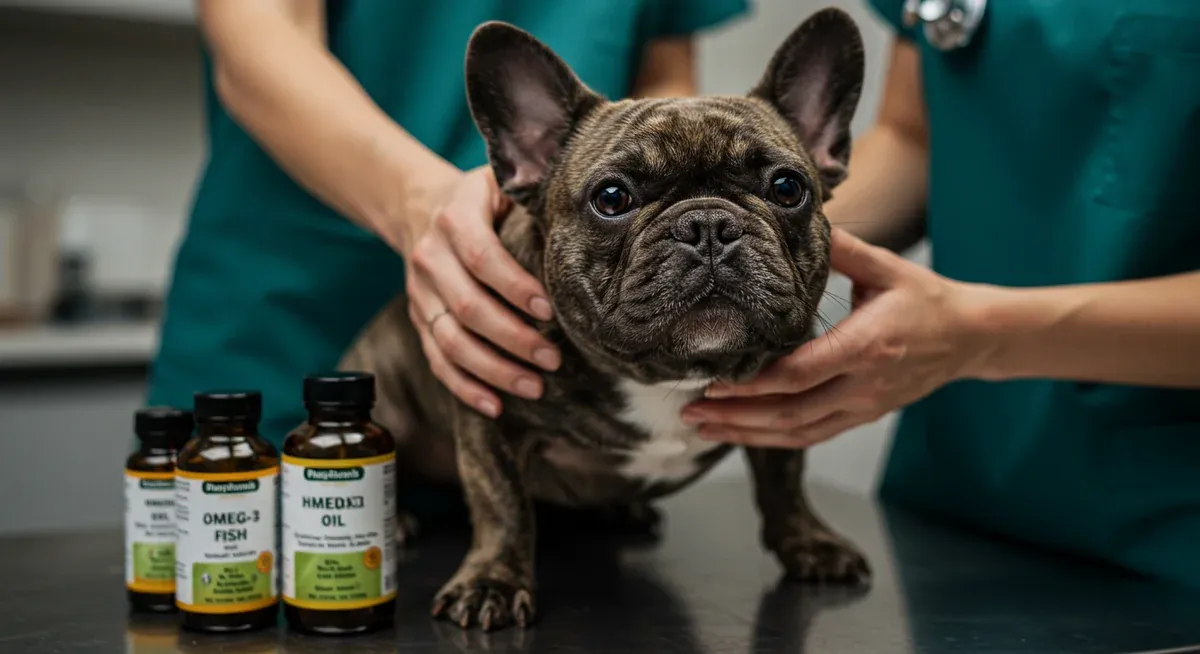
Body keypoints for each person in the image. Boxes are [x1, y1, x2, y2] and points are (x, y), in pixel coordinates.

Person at [682, 1, 1200, 589]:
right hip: (957, 499)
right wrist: (745, 247)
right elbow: (911, 138)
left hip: (1173, 530)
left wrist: (976, 338)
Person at [147, 0, 749, 442]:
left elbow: (662, 78)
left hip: (560, 413)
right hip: (294, 331)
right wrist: (416, 201)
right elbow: (257, 33)